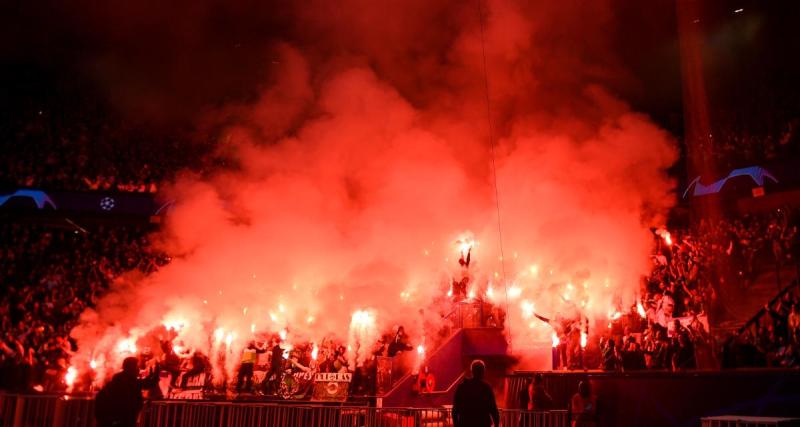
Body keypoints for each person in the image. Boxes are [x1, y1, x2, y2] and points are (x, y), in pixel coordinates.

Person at [95, 357, 151, 427]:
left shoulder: (118, 380)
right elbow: (148, 384)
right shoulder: (129, 381)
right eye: (137, 366)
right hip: (122, 420)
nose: (138, 369)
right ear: (131, 367)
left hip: (114, 420)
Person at [452, 359, 500, 427]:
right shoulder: (486, 388)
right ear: (483, 372)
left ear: (472, 371)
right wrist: (496, 424)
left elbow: (455, 410)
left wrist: (456, 425)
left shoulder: (462, 387)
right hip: (482, 423)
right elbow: (493, 410)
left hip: (465, 423)